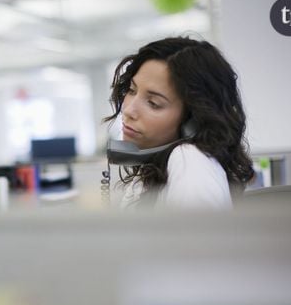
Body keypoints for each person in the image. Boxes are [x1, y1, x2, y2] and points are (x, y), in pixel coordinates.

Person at [104, 36, 254, 209]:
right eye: (132, 90)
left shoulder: (189, 161)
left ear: (193, 120)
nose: (129, 110)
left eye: (154, 103)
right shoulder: (154, 169)